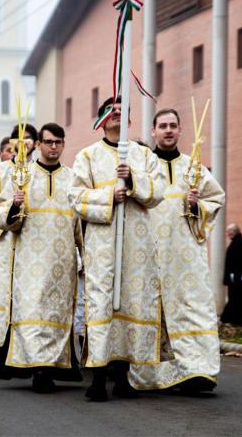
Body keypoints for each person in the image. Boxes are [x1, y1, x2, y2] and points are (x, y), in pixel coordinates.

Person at [69, 96, 165, 401]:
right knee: (101, 305)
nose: (117, 115)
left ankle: (123, 376)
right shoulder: (87, 156)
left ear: (130, 122)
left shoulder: (143, 155)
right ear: (101, 120)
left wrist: (133, 181)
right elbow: (76, 197)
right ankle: (98, 376)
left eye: (123, 112)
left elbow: (159, 190)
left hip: (136, 244)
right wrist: (111, 196)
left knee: (130, 304)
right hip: (102, 243)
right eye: (111, 111)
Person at [128, 108, 225, 394]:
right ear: (153, 131)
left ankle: (196, 370)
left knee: (191, 308)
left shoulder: (194, 168)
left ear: (180, 131)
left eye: (173, 126)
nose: (168, 130)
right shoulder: (142, 168)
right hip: (147, 252)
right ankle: (151, 372)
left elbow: (215, 199)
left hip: (184, 255)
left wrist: (197, 205)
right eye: (163, 126)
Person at [0, 123, 82, 393]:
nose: (53, 147)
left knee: (57, 314)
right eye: (48, 142)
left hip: (62, 261)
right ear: (38, 145)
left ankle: (52, 366)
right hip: (29, 260)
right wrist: (15, 205)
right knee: (31, 311)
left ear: (63, 145)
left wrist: (86, 255)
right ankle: (38, 368)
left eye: (58, 142)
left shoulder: (73, 178)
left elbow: (81, 224)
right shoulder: (22, 175)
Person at [0, 124, 39, 374]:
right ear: (11, 143)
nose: (24, 144)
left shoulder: (41, 171)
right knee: (5, 297)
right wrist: (7, 213)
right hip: (5, 245)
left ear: (36, 143)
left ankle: (29, 357)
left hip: (34, 247)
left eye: (29, 139)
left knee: (31, 300)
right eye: (19, 140)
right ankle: (2, 355)